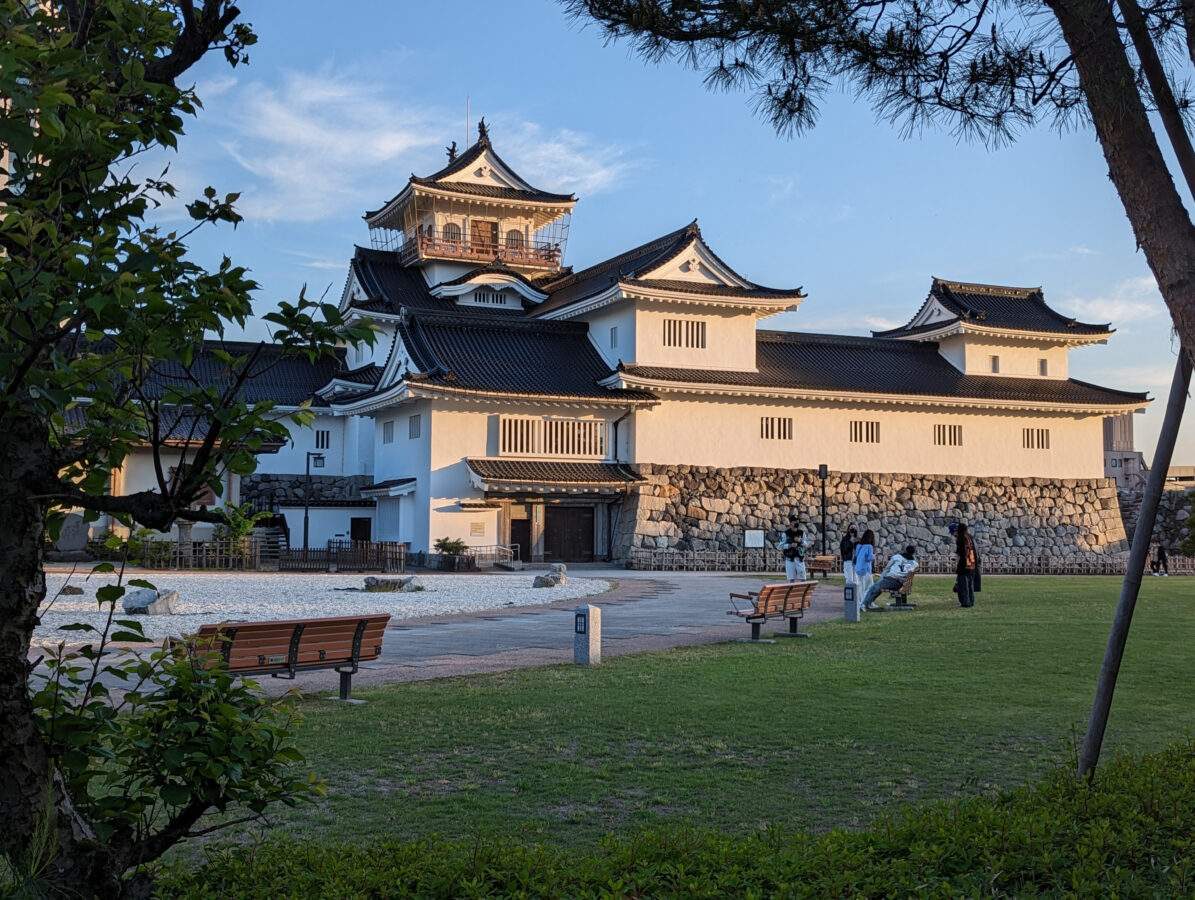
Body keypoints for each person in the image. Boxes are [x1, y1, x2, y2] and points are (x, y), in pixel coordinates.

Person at [862, 544, 919, 610]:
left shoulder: (897, 557)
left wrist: (881, 578)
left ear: (905, 550)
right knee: (879, 586)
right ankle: (869, 603)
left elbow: (887, 568)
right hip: (903, 584)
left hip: (894, 581)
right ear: (913, 553)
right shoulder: (915, 564)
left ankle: (864, 604)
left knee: (875, 586)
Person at [954, 522, 977, 607]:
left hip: (963, 564)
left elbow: (959, 554)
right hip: (971, 563)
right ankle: (971, 601)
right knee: (970, 585)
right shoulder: (970, 537)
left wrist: (957, 564)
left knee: (963, 585)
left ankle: (965, 603)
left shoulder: (961, 539)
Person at [853, 529, 876, 612]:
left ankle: (861, 602)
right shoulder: (869, 546)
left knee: (861, 586)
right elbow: (869, 558)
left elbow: (856, 555)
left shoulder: (859, 545)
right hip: (866, 568)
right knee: (869, 586)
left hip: (858, 568)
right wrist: (874, 555)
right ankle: (866, 603)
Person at [779, 515, 807, 582]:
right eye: (795, 521)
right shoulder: (786, 534)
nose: (797, 523)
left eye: (797, 521)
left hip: (799, 557)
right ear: (791, 523)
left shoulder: (802, 533)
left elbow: (806, 543)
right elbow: (781, 545)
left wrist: (801, 541)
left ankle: (803, 591)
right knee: (791, 578)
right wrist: (789, 545)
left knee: (803, 577)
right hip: (790, 558)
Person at [840, 525, 858, 592]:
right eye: (852, 528)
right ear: (848, 529)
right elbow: (844, 550)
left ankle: (856, 592)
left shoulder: (857, 539)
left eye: (855, 528)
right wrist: (850, 542)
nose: (853, 529)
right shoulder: (845, 539)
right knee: (849, 577)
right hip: (848, 559)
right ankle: (849, 592)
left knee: (856, 578)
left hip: (855, 560)